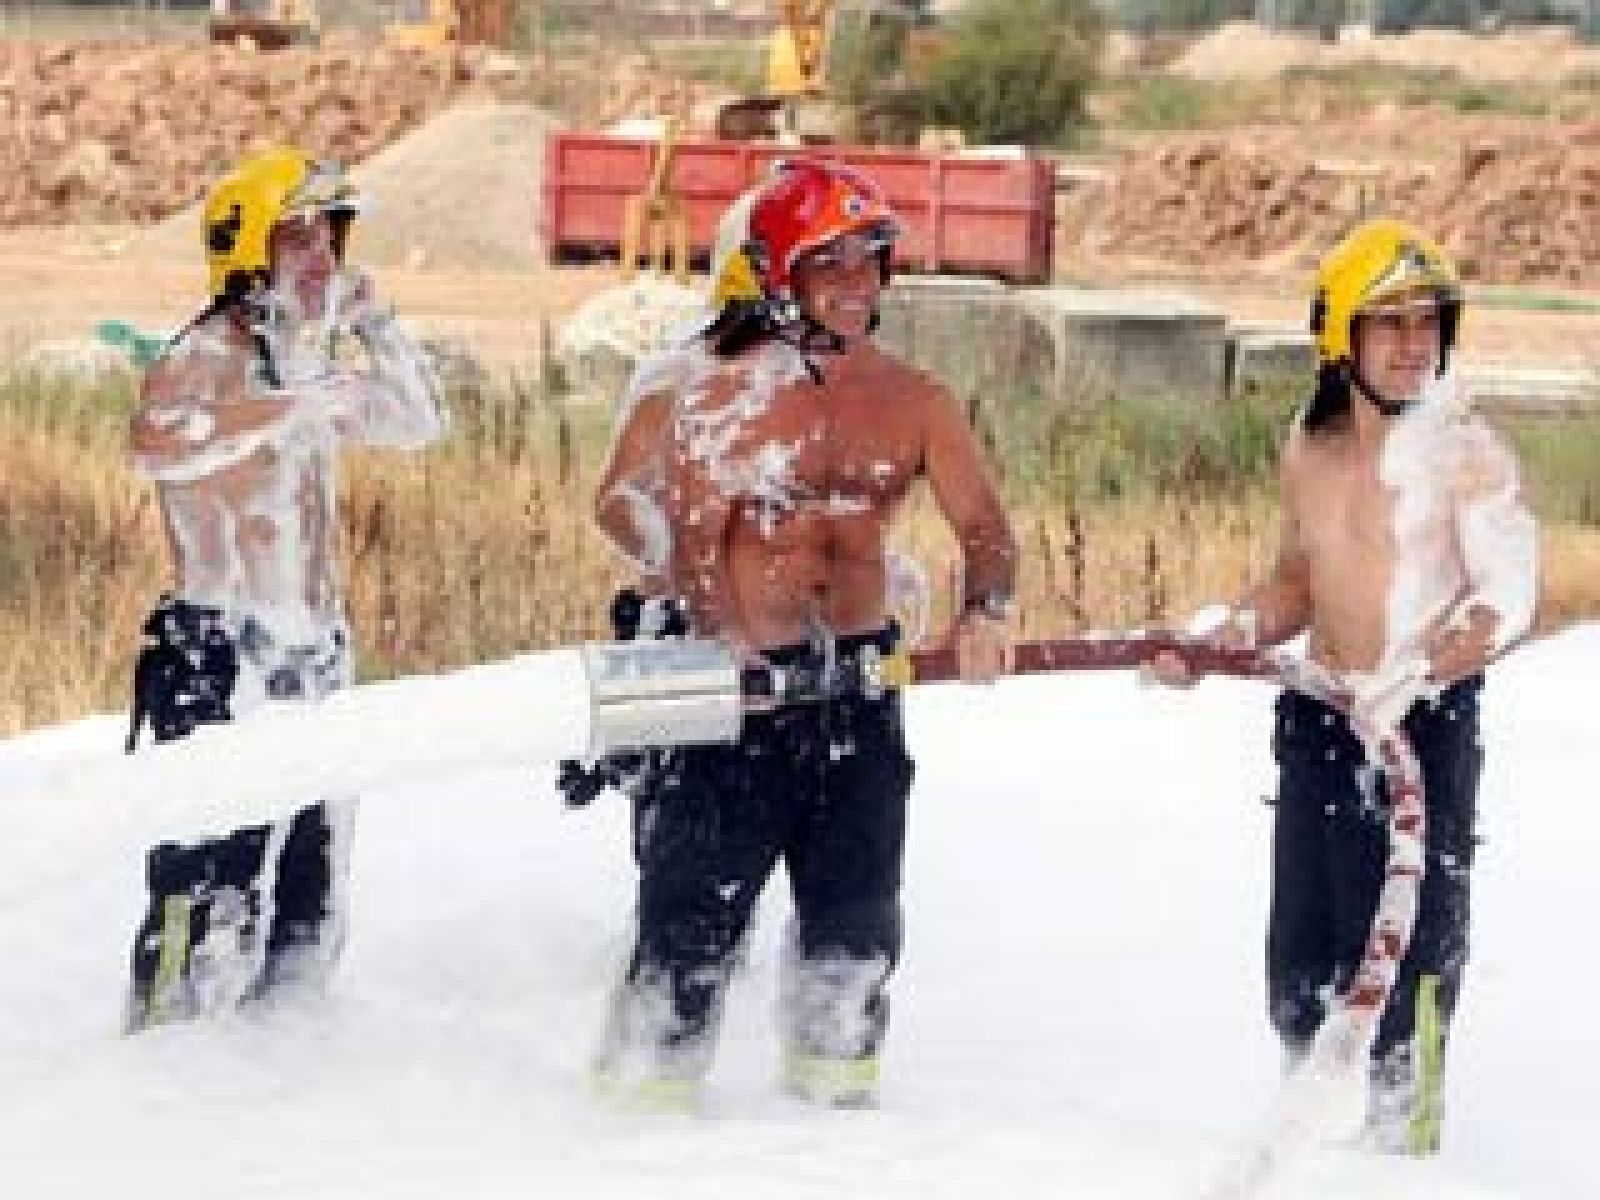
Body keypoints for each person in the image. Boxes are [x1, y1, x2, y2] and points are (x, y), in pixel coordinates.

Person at [588, 159, 1019, 1111]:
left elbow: (986, 528)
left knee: (855, 939)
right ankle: (630, 1141)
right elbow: (691, 548)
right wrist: (717, 639)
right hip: (740, 697)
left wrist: (985, 606)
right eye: (834, 266)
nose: (860, 286)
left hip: (861, 695)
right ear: (780, 274)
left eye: (873, 263)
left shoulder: (914, 399)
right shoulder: (715, 397)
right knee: (687, 939)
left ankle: (833, 1134)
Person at [1150, 217, 1539, 1154]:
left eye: (1428, 323)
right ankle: (1313, 1140)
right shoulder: (1310, 447)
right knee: (1301, 962)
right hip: (1321, 721)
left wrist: (1426, 667)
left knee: (1410, 960)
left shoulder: (1468, 454)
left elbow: (1508, 599)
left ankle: (1403, 1147)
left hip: (1424, 730)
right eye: (1389, 323)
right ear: (1341, 335)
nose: (1414, 344)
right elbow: (1295, 580)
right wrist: (1217, 638)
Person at [124, 147, 447, 1031]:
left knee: (312, 908)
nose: (319, 257)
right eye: (295, 235)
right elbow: (155, 440)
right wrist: (292, 406)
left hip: (317, 659)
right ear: (246, 250)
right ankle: (159, 1097)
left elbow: (420, 423)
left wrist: (377, 326)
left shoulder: (304, 363)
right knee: (209, 907)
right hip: (223, 656)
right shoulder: (206, 356)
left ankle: (285, 1107)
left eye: (328, 237)